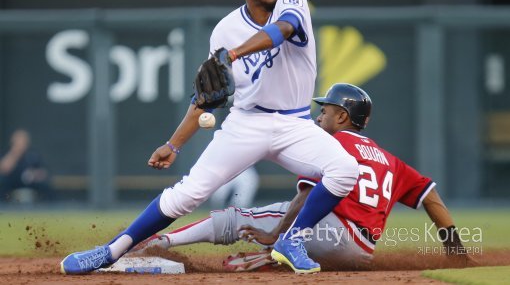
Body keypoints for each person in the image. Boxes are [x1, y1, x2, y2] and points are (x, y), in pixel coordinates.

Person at [60, 0, 359, 274]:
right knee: (186, 196)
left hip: (294, 123)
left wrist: (231, 54)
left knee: (344, 169)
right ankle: (110, 251)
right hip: (247, 123)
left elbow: (283, 30)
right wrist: (173, 145)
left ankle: (292, 239)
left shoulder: (292, 2)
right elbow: (208, 95)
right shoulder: (225, 30)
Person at [132, 83, 474, 271]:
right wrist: (455, 249)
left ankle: (159, 242)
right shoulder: (390, 160)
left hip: (332, 233)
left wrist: (276, 235)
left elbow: (307, 195)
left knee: (241, 217)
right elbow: (431, 197)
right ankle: (273, 260)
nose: (319, 114)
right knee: (273, 230)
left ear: (341, 116)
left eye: (324, 110)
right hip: (363, 251)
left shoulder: (331, 143)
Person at [0, 129, 52, 203]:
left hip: (30, 182)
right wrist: (15, 153)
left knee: (45, 185)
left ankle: (49, 207)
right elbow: (4, 169)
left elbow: (44, 172)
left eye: (23, 141)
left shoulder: (32, 155)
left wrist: (34, 174)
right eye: (18, 141)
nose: (21, 143)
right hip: (12, 181)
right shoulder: (7, 153)